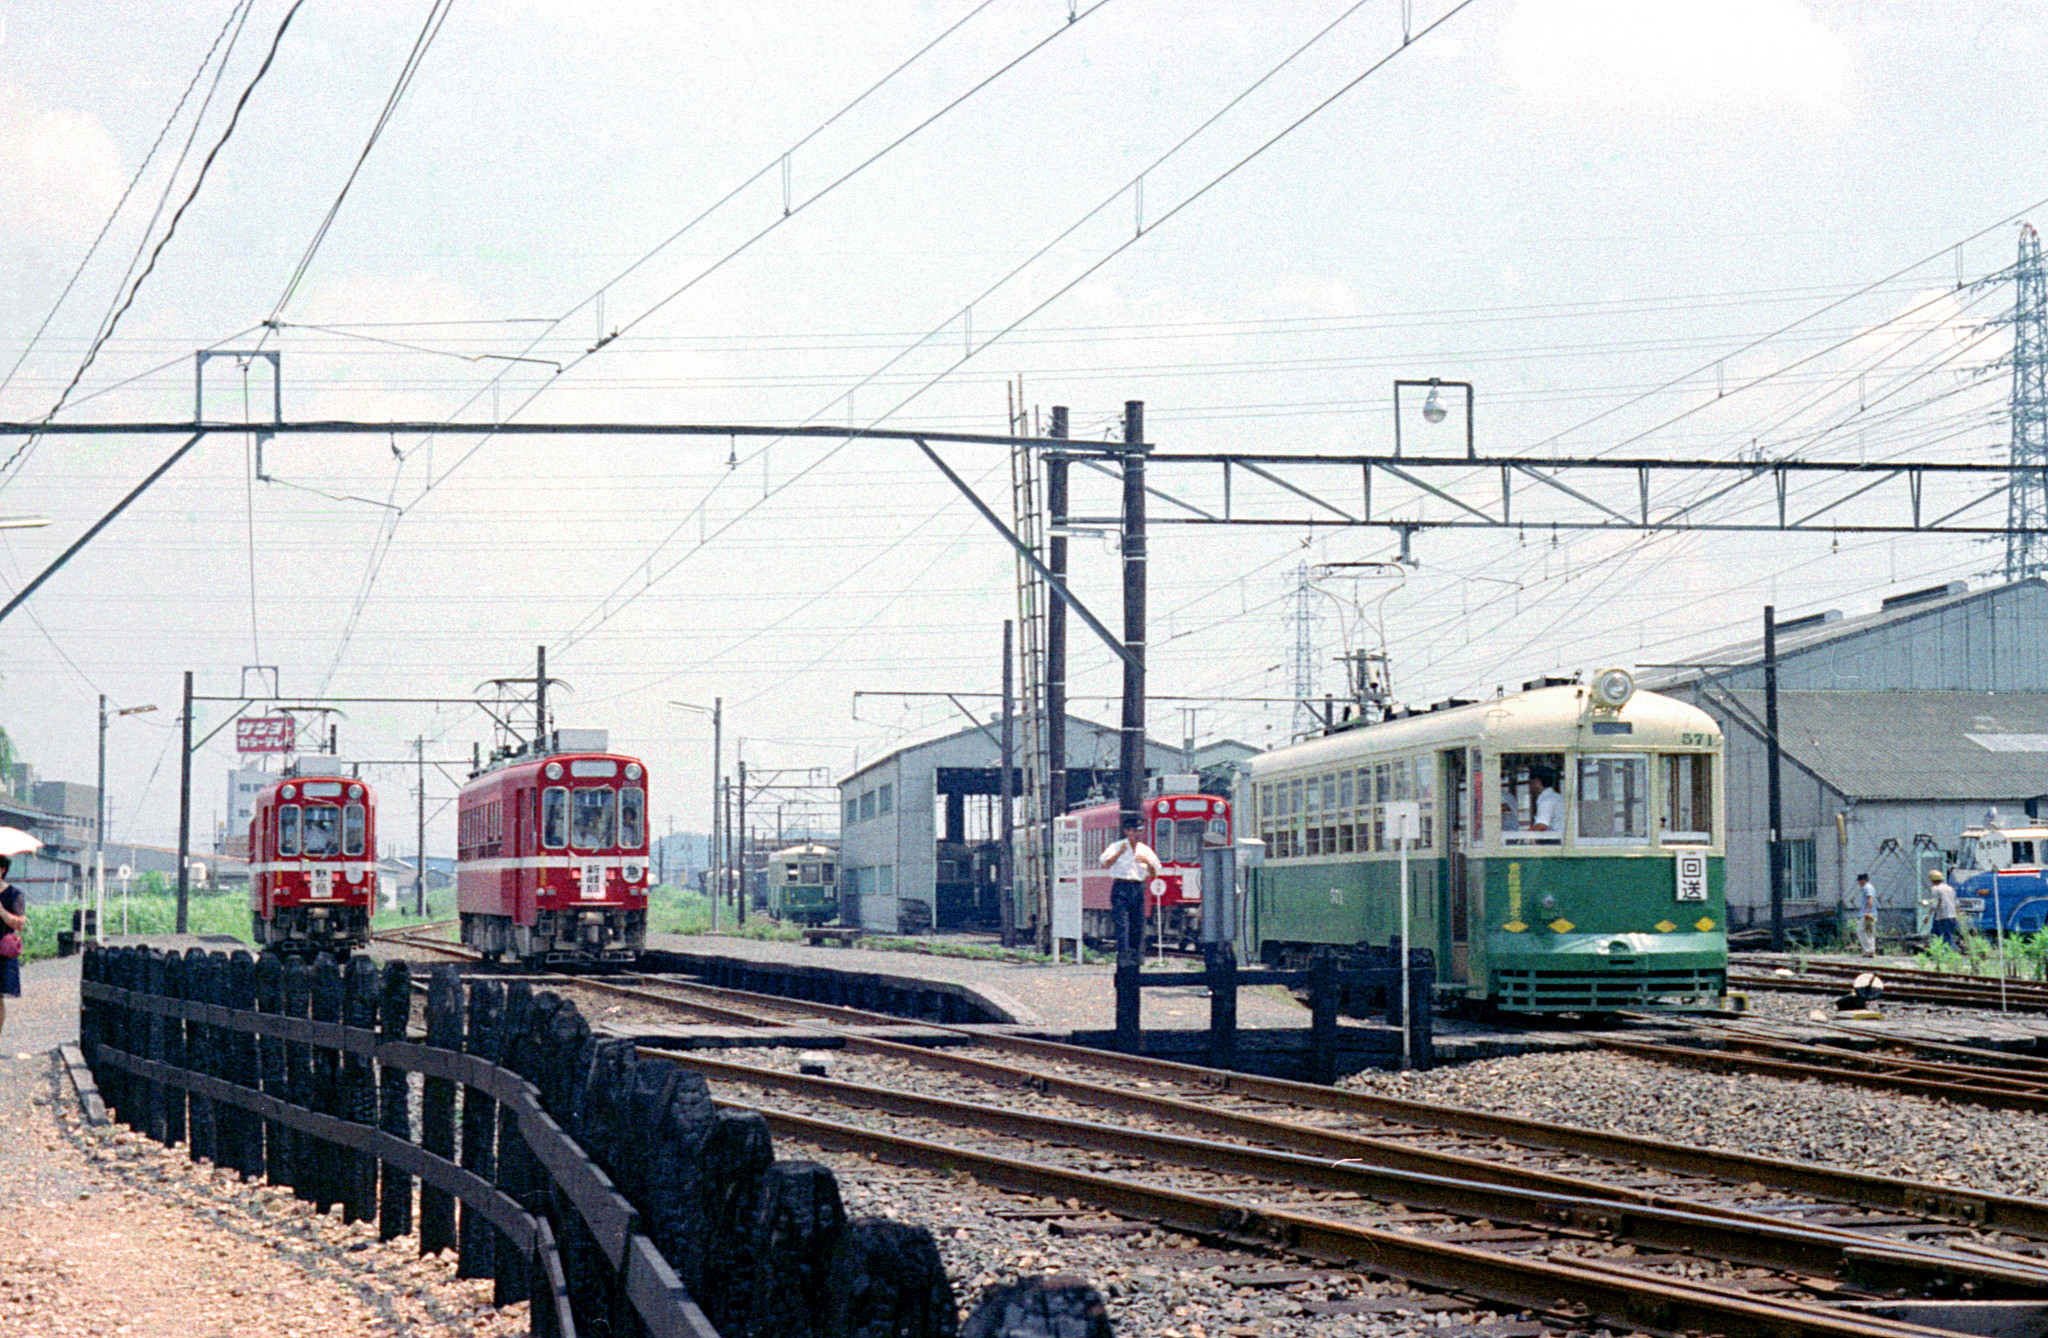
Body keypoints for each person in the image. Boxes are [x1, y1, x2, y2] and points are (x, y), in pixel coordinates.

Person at [1098, 816, 1162, 963]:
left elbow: (1154, 872)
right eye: (1133, 830)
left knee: (1137, 923)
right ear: (1126, 831)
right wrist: (1119, 853)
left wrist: (1147, 862)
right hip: (1121, 887)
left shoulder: (1145, 850)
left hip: (1138, 887)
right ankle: (1123, 956)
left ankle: (1136, 956)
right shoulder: (1116, 846)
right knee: (1122, 923)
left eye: (1139, 830)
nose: (1136, 834)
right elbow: (1106, 863)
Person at [0, 857, 23, 1035]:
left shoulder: (14, 894)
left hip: (2, 951)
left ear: (3, 870)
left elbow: (19, 923)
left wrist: (1, 911)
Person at [1924, 868, 1961, 950]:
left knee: (1945, 937)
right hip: (1952, 916)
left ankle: (1955, 951)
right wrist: (1959, 914)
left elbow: (1934, 904)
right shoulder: (1950, 888)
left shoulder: (1936, 889)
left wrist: (1927, 916)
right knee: (1935, 933)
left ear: (1932, 881)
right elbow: (1956, 903)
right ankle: (1935, 950)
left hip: (1943, 916)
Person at [1527, 768, 1562, 843]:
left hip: (1554, 842)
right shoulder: (1557, 797)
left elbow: (1542, 825)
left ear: (1537, 781)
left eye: (1530, 782)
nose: (1529, 785)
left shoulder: (1547, 800)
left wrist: (1522, 834)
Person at [1852, 872, 1878, 955]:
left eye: (1859, 881)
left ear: (1863, 880)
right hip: (1873, 913)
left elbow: (1870, 900)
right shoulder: (1871, 887)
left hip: (1867, 913)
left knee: (1860, 931)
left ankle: (1868, 949)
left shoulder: (1866, 888)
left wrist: (1867, 912)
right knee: (1870, 932)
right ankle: (1871, 950)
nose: (1858, 883)